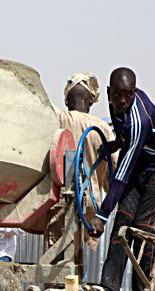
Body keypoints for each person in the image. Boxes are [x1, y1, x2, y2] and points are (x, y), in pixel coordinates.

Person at [95, 68, 155, 291]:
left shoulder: (139, 119)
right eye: (117, 95)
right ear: (109, 93)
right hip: (143, 162)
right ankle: (108, 290)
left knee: (144, 232)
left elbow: (122, 173)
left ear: (134, 92)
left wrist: (102, 213)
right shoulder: (116, 106)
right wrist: (115, 144)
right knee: (123, 223)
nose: (122, 100)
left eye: (128, 95)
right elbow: (126, 140)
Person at [55, 73, 116, 226]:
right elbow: (114, 167)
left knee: (59, 246)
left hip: (61, 201)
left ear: (67, 101)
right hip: (91, 201)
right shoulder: (103, 128)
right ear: (90, 101)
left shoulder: (60, 119)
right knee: (80, 246)